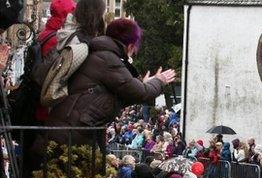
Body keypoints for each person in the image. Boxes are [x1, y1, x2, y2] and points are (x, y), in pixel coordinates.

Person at [41, 18, 175, 150]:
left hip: (68, 130)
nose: (134, 52)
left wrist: (142, 84)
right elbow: (140, 93)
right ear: (130, 46)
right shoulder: (109, 60)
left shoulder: (101, 54)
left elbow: (119, 95)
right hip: (70, 135)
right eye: (135, 48)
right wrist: (159, 80)